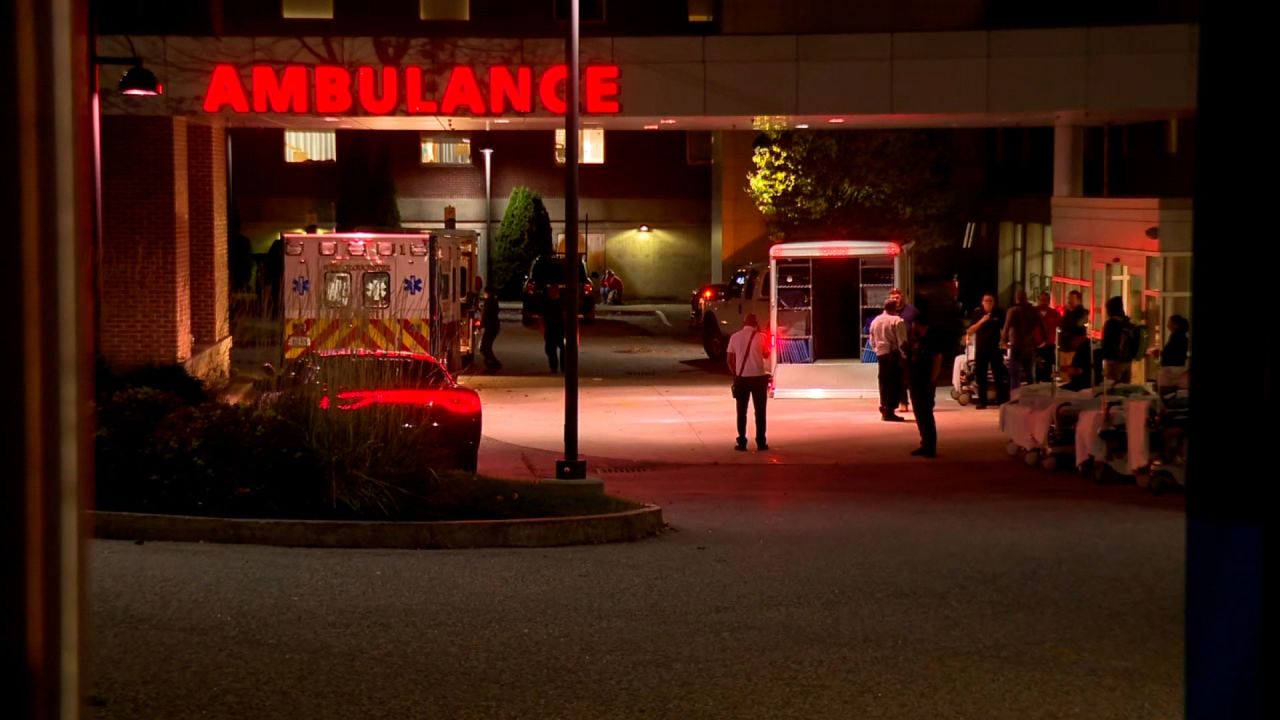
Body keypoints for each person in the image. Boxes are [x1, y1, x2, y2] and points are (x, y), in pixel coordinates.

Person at [726, 313, 770, 451]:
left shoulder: (735, 337)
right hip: (758, 378)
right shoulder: (761, 337)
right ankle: (761, 442)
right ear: (755, 323)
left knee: (741, 411)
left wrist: (735, 374)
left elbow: (729, 359)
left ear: (744, 323)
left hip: (742, 378)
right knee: (760, 412)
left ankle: (742, 442)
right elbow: (766, 354)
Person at [907, 304, 944, 458]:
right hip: (916, 380)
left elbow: (937, 360)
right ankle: (924, 442)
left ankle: (930, 446)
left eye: (915, 325)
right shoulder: (918, 338)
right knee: (919, 413)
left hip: (925, 381)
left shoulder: (931, 339)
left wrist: (932, 380)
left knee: (926, 413)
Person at [966, 293, 1008, 408]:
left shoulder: (999, 313)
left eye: (991, 301)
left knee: (998, 374)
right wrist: (982, 321)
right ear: (982, 302)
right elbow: (970, 330)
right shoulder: (978, 313)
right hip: (981, 348)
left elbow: (1005, 328)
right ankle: (982, 401)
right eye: (987, 301)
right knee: (981, 375)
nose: (989, 303)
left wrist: (1005, 341)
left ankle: (1001, 400)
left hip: (995, 348)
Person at [869, 298, 908, 422]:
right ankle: (889, 410)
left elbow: (872, 339)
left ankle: (883, 405)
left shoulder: (875, 320)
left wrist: (876, 350)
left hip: (881, 354)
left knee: (883, 381)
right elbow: (902, 340)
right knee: (895, 383)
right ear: (895, 307)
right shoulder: (897, 320)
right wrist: (904, 356)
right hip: (894, 354)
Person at [1001, 289, 1044, 393]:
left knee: (1015, 374)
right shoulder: (1033, 310)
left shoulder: (1013, 310)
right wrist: (1044, 340)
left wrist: (1003, 341)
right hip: (1029, 345)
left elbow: (1006, 328)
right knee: (1030, 374)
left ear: (1016, 298)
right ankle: (1032, 398)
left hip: (1016, 345)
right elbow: (1042, 326)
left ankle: (1015, 397)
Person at [889, 288, 918, 414]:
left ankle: (917, 402)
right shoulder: (889, 312)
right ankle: (903, 402)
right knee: (898, 377)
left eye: (897, 297)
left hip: (910, 348)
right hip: (895, 350)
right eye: (893, 297)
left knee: (912, 378)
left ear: (903, 297)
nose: (895, 299)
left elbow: (919, 328)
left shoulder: (912, 311)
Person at [1100, 296, 1136, 385]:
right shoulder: (1127, 322)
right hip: (1127, 360)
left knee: (1113, 387)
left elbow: (1107, 342)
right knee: (1125, 388)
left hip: (1114, 362)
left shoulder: (1111, 323)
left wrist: (1103, 355)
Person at [1034, 291, 1062, 383]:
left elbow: (1062, 327)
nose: (1043, 302)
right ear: (1037, 300)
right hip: (1034, 347)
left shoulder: (1054, 314)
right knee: (1035, 370)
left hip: (1049, 347)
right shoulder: (1031, 312)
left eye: (1045, 300)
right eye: (1041, 300)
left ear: (1049, 301)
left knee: (1049, 369)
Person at [542, 285, 565, 374]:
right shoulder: (547, 303)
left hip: (560, 327)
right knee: (550, 348)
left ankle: (562, 367)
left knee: (563, 348)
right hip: (551, 327)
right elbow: (543, 316)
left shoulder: (561, 303)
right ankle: (554, 366)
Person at [479, 286, 502, 372]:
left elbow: (485, 316)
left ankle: (494, 364)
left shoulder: (489, 302)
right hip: (494, 327)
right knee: (486, 347)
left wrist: (481, 326)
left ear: (487, 293)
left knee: (484, 347)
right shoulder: (493, 301)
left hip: (491, 327)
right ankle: (492, 364)